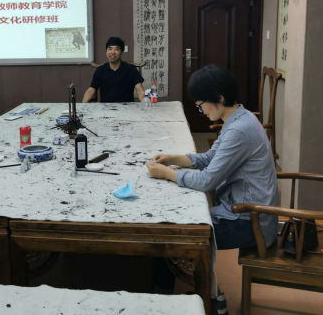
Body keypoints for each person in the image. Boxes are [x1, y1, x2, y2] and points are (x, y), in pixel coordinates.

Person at [146, 65, 278, 315]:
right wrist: (173, 158)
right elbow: (209, 158)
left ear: (219, 98)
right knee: (173, 227)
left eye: (201, 105)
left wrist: (168, 174)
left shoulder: (239, 129)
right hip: (242, 212)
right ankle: (189, 295)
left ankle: (177, 302)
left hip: (249, 222)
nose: (202, 111)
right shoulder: (239, 118)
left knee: (170, 236)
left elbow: (207, 180)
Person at [82, 37, 146, 103]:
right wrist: (82, 105)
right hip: (105, 107)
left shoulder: (131, 69)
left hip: (127, 107)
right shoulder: (100, 70)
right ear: (106, 51)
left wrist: (145, 104)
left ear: (121, 52)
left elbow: (140, 90)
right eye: (110, 49)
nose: (112, 52)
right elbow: (91, 90)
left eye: (116, 49)